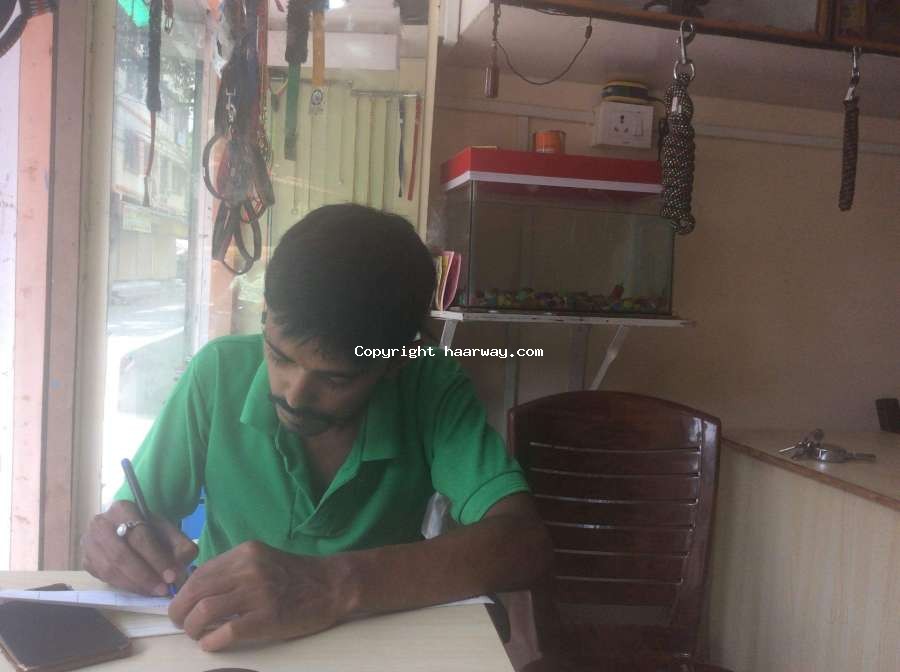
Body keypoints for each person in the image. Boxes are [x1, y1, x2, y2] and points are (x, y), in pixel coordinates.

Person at [81, 203, 553, 651]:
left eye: (335, 379)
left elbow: (523, 543)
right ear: (266, 315)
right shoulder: (217, 374)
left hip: (379, 648)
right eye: (279, 356)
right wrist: (118, 537)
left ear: (394, 363)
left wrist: (331, 584)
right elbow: (134, 515)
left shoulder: (429, 384)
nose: (294, 395)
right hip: (228, 642)